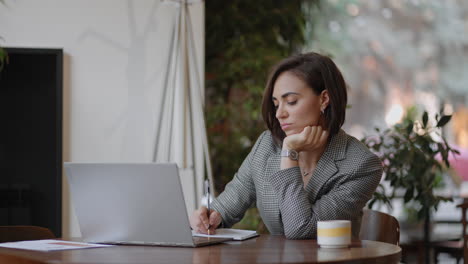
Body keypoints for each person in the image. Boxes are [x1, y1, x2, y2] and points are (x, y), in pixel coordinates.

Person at [190, 52, 383, 239]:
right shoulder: (267, 145)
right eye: (276, 104)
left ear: (324, 99)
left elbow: (300, 229)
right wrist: (207, 218)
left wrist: (290, 153)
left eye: (291, 102)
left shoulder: (361, 165)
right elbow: (227, 205)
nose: (279, 114)